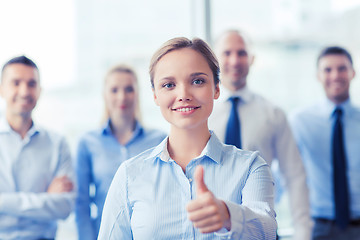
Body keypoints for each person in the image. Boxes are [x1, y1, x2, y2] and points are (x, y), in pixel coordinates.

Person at [98, 37, 277, 239]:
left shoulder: (250, 167)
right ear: (155, 95)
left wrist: (228, 216)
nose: (183, 94)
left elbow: (267, 231)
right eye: (168, 85)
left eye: (197, 81)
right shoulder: (129, 176)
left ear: (217, 88)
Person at [208, 29, 312, 240]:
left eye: (242, 53)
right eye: (227, 53)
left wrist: (303, 234)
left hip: (260, 230)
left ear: (252, 59)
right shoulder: (202, 113)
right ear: (215, 59)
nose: (235, 60)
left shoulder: (273, 114)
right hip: (211, 230)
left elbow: (294, 176)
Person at [75, 64, 166, 240]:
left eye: (129, 89)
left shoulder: (159, 140)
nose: (122, 96)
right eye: (114, 90)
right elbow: (81, 204)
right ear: (104, 95)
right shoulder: (87, 142)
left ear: (138, 94)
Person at [0, 56, 75, 239]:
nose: (24, 91)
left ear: (40, 91)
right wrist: (45, 200)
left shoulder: (57, 144)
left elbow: (65, 206)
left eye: (31, 84)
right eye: (16, 83)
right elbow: (54, 205)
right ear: (2, 88)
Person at [289, 46, 360, 240]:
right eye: (328, 70)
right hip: (319, 227)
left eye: (342, 68)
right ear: (318, 75)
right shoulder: (300, 121)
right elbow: (287, 172)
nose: (335, 75)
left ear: (353, 73)